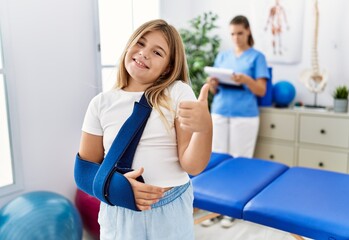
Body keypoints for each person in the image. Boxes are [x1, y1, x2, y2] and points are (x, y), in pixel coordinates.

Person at [77, 19, 212, 240]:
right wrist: (119, 188)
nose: (144, 53)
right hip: (119, 211)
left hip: (170, 210)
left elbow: (193, 164)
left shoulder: (178, 92)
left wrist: (205, 129)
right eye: (140, 43)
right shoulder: (100, 103)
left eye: (157, 52)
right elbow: (84, 172)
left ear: (168, 66)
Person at [202, 15, 270, 228]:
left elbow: (261, 90)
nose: (236, 38)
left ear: (248, 31)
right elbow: (215, 89)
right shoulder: (223, 57)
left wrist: (246, 79)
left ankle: (233, 209)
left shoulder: (257, 57)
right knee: (219, 161)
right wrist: (212, 84)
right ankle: (217, 208)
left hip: (245, 115)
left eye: (240, 33)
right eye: (232, 34)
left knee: (240, 163)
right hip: (221, 111)